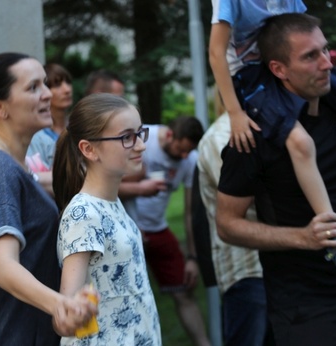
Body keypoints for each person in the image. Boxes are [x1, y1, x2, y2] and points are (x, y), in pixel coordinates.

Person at [0, 53, 98, 345]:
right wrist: (61, 305)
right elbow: (3, 266)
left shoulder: (8, 166)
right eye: (33, 88)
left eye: (45, 84)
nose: (48, 94)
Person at [216, 13, 336, 345]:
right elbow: (227, 224)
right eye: (310, 56)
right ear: (279, 69)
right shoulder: (252, 136)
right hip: (308, 308)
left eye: (325, 50)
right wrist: (304, 237)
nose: (326, 63)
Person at [209, 0, 336, 222]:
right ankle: (329, 223)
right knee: (300, 141)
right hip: (250, 76)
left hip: (280, 61)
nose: (327, 62)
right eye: (315, 55)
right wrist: (234, 112)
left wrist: (313, 54)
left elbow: (301, 28)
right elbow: (216, 54)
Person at [53, 93, 162, 345]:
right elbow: (67, 310)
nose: (141, 145)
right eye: (126, 137)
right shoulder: (84, 213)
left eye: (139, 133)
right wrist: (71, 315)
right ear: (88, 149)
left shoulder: (111, 203)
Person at [120, 116, 210, 346]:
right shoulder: (142, 139)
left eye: (188, 152)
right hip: (126, 229)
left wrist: (192, 256)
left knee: (184, 291)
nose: (183, 156)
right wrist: (140, 192)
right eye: (181, 149)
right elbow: (107, 183)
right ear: (170, 135)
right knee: (128, 301)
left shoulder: (190, 160)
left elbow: (190, 212)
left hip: (158, 229)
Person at [197, 111, 268, 345]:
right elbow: (244, 198)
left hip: (282, 267)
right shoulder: (222, 137)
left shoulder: (274, 119)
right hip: (247, 270)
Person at [27, 63, 73, 171]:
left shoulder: (80, 126)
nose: (67, 90)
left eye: (68, 82)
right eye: (57, 85)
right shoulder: (36, 136)